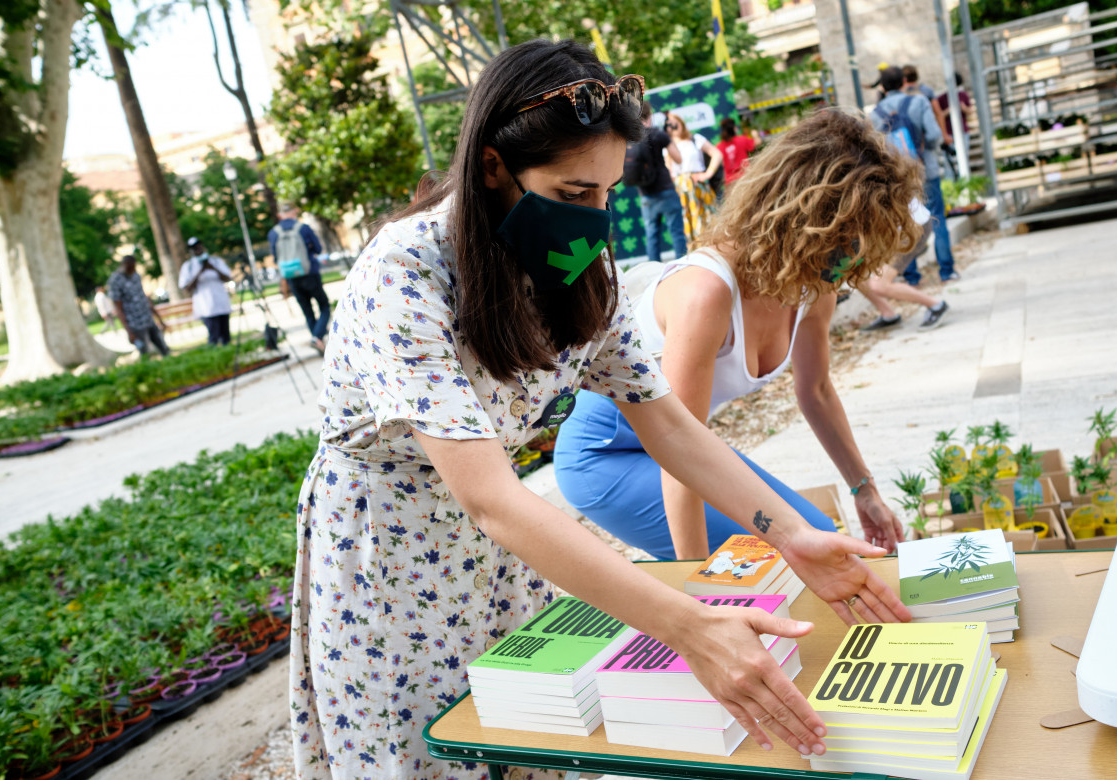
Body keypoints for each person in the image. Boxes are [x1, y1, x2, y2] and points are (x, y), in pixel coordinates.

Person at [289, 40, 910, 780]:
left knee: (536, 736)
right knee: (423, 753)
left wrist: (792, 535)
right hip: (388, 554)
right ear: (493, 167)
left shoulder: (581, 262)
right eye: (573, 192)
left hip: (507, 555)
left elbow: (668, 421)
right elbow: (488, 496)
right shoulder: (406, 271)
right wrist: (689, 626)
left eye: (610, 191)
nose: (595, 217)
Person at [554, 108, 919, 565]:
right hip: (606, 456)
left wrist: (866, 491)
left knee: (823, 539)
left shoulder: (812, 283)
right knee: (798, 561)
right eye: (844, 240)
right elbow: (678, 450)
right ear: (803, 218)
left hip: (678, 443)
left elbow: (818, 391)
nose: (850, 262)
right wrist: (701, 590)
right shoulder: (705, 291)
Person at [872, 66, 960, 285]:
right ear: (904, 81)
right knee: (937, 218)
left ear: (882, 87)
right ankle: (947, 272)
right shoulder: (919, 102)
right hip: (925, 169)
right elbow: (934, 136)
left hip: (898, 179)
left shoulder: (874, 114)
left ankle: (911, 277)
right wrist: (920, 149)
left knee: (904, 224)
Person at [855, 200, 950, 330]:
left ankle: (937, 306)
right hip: (890, 230)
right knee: (854, 274)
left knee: (879, 285)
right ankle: (889, 315)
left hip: (912, 228)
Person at [269, 203, 330, 352]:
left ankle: (318, 340)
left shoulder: (273, 233)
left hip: (291, 277)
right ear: (294, 212)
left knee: (307, 311)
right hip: (309, 273)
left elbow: (276, 257)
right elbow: (318, 248)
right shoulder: (303, 228)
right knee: (324, 305)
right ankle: (317, 338)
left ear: (280, 215)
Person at [633, 101, 687, 263]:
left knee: (651, 235)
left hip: (645, 194)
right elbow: (678, 159)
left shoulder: (631, 137)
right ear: (650, 115)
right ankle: (681, 266)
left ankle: (653, 272)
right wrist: (668, 138)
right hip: (666, 190)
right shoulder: (658, 134)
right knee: (676, 232)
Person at [663, 113, 722, 243]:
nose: (672, 125)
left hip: (699, 186)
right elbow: (669, 170)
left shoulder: (695, 139)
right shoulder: (667, 146)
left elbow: (717, 153)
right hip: (680, 190)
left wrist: (708, 173)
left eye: (675, 122)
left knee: (709, 218)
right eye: (669, 124)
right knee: (687, 222)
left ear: (681, 123)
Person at [107, 254, 170, 357]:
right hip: (134, 322)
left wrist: (159, 318)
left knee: (163, 346)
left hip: (147, 318)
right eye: (130, 266)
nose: (133, 269)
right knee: (144, 352)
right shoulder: (115, 280)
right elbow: (118, 307)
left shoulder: (135, 276)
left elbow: (144, 296)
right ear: (124, 265)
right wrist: (128, 331)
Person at [177, 236, 233, 346]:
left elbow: (228, 277)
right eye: (194, 248)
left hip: (222, 303)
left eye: (199, 247)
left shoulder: (216, 261)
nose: (198, 249)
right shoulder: (188, 266)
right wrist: (200, 271)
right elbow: (186, 288)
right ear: (191, 251)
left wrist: (212, 268)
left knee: (226, 336)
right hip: (206, 307)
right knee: (213, 336)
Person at [936, 72, 973, 176]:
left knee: (964, 158)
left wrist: (963, 108)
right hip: (948, 132)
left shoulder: (963, 95)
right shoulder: (942, 98)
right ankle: (951, 181)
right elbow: (939, 115)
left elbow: (970, 111)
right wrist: (949, 110)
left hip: (962, 131)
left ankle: (965, 178)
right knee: (949, 160)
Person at [716, 116, 756, 187]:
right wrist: (755, 135)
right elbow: (757, 143)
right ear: (733, 128)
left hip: (730, 182)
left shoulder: (719, 147)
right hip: (746, 177)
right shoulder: (742, 140)